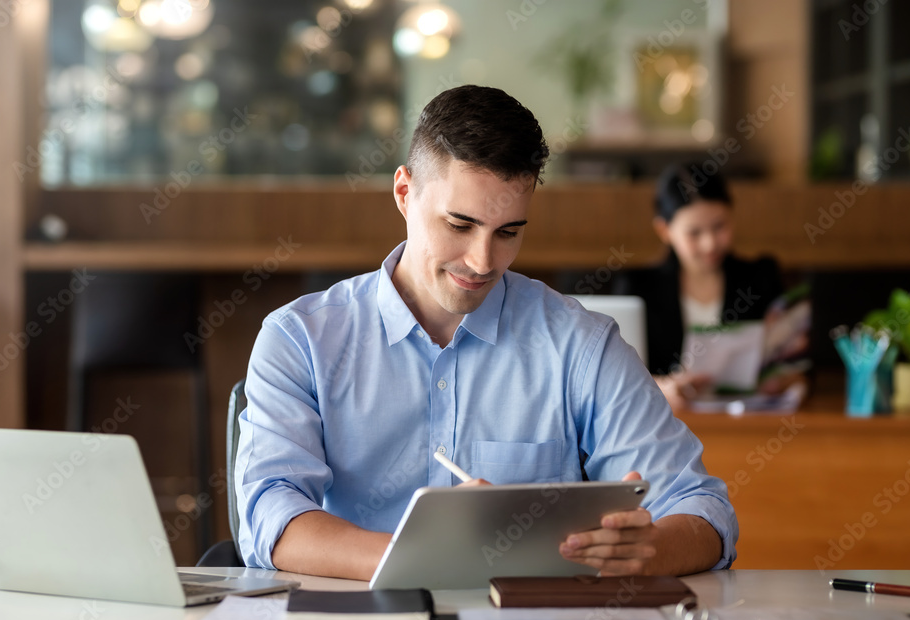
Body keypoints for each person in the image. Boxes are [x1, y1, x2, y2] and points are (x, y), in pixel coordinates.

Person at [235, 86, 737, 581]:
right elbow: (269, 515)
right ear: (404, 194)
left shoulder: (581, 345)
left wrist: (648, 550)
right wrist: (429, 557)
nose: (482, 261)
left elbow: (705, 511)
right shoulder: (300, 339)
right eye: (459, 224)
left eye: (508, 232)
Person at [613, 164, 785, 413]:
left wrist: (779, 375)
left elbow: (796, 368)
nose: (710, 244)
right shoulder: (637, 287)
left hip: (746, 423)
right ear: (664, 231)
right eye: (694, 232)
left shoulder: (761, 278)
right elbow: (617, 375)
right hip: (665, 423)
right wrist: (660, 387)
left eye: (719, 226)